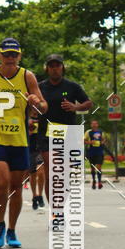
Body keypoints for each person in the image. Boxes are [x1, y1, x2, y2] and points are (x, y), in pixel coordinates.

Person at [0, 38, 47, 248]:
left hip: (20, 140)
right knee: (2, 181)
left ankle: (12, 230)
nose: (10, 58)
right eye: (7, 54)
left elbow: (43, 107)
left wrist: (36, 102)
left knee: (16, 187)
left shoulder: (27, 76)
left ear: (19, 56)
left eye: (14, 54)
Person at [37, 54, 93, 202]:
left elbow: (88, 103)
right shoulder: (40, 87)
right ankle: (55, 212)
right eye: (51, 66)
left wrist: (76, 107)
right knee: (52, 170)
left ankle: (63, 205)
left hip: (69, 133)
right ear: (47, 69)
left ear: (63, 68)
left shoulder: (72, 86)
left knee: (65, 173)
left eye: (57, 66)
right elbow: (32, 106)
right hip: (47, 133)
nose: (55, 69)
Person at [28, 114, 45, 210]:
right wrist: (29, 127)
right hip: (30, 149)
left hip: (40, 149)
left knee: (41, 172)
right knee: (32, 174)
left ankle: (40, 195)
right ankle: (34, 196)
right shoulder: (26, 117)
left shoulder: (43, 117)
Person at [84, 119, 106, 189]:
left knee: (99, 167)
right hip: (91, 152)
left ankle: (99, 182)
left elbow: (104, 139)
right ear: (91, 125)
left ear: (97, 125)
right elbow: (83, 141)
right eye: (92, 124)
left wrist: (103, 142)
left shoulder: (101, 132)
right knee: (93, 168)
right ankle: (94, 181)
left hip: (99, 152)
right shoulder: (88, 132)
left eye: (95, 123)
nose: (94, 125)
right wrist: (90, 142)